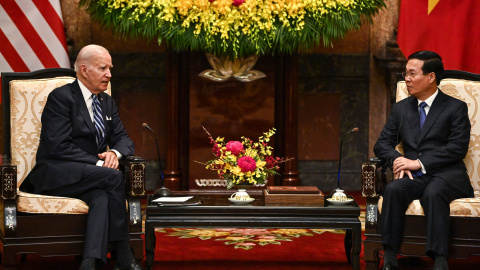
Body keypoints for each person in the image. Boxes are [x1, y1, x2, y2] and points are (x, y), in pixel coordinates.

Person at [19, 45, 142, 270]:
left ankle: (89, 262)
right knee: (112, 177)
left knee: (101, 197)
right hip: (55, 173)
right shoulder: (62, 98)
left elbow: (124, 139)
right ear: (84, 70)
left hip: (89, 177)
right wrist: (100, 162)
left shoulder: (106, 102)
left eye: (110, 68)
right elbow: (58, 146)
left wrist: (114, 152)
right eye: (103, 68)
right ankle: (123, 251)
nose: (109, 74)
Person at [374, 50, 474, 270]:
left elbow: (457, 148)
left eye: (412, 73)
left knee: (434, 193)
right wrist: (398, 159)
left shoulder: (455, 107)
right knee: (393, 190)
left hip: (447, 174)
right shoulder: (401, 109)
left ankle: (439, 259)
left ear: (431, 77)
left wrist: (418, 163)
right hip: (414, 176)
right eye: (405, 73)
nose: (406, 79)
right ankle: (390, 256)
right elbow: (381, 144)